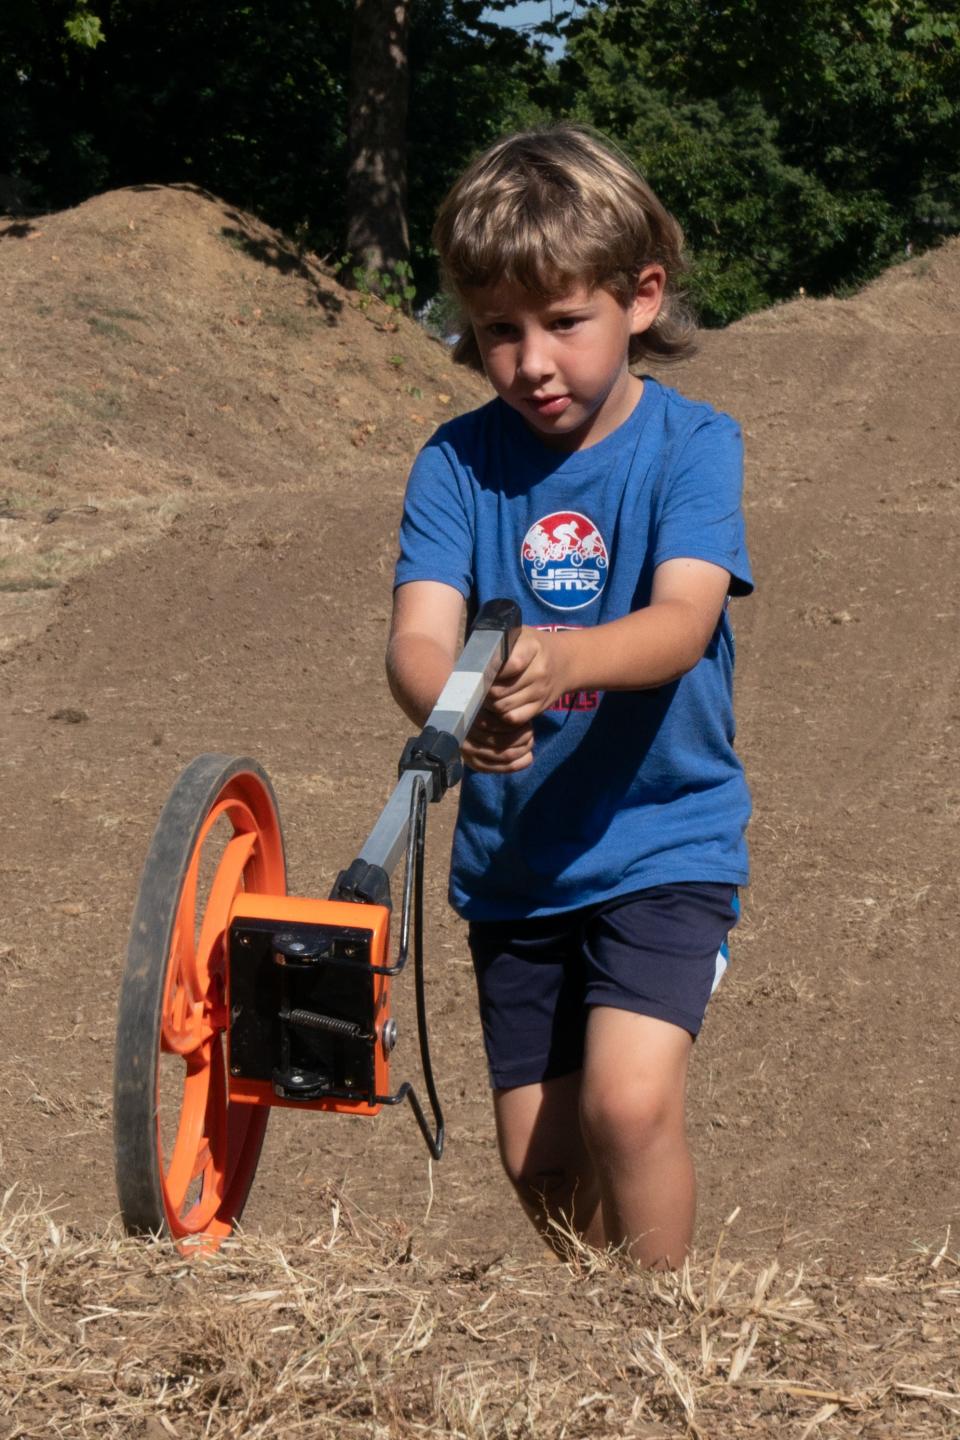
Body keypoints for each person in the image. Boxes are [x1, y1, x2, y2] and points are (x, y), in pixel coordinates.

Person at [386, 124, 752, 1268]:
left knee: (627, 1109)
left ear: (642, 297)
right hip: (517, 861)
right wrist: (459, 705)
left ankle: (658, 1346)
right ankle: (604, 1307)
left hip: (664, 836)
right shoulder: (455, 463)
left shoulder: (694, 446)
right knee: (539, 1158)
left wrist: (565, 659)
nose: (531, 360)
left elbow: (684, 621)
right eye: (500, 330)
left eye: (562, 322)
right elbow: (417, 636)